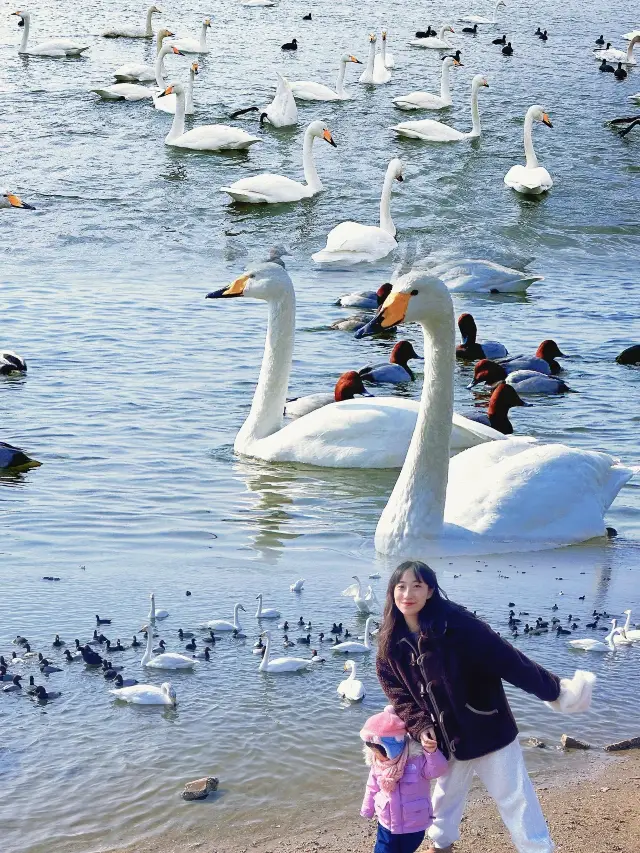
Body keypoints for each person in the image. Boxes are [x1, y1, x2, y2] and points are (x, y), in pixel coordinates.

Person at [376, 560, 595, 853]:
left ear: (429, 591)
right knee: (445, 796)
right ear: (392, 591)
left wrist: (556, 691)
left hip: (488, 727)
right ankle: (441, 845)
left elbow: (508, 659)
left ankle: (538, 849)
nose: (408, 594)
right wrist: (420, 724)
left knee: (516, 797)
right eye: (401, 586)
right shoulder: (391, 642)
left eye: (417, 585)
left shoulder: (457, 625)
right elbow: (397, 692)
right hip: (443, 739)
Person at [360, 704, 448, 853]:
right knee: (383, 850)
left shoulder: (416, 759)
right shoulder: (377, 764)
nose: (375, 755)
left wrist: (431, 752)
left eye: (378, 751)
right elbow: (372, 787)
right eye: (372, 751)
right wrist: (367, 809)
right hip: (387, 823)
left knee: (406, 849)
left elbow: (437, 770)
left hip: (414, 823)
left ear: (390, 747)